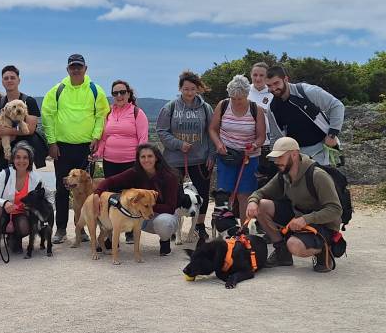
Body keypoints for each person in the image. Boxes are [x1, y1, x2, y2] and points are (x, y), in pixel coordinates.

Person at [245, 137, 343, 272]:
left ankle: (324, 250)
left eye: (280, 157)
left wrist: (306, 219)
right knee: (261, 205)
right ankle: (282, 252)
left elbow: (335, 210)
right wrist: (252, 202)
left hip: (323, 224)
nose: (276, 161)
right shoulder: (284, 174)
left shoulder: (318, 175)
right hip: (298, 217)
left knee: (294, 245)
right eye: (275, 158)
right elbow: (261, 193)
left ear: (295, 154)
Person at [41, 53, 109, 243]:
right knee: (61, 189)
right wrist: (52, 142)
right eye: (73, 67)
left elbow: (101, 115)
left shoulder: (96, 90)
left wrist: (96, 137)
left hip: (86, 148)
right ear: (68, 69)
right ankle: (61, 229)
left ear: (85, 69)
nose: (76, 69)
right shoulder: (57, 90)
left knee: (87, 192)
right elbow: (47, 116)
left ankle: (84, 229)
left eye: (79, 66)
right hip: (61, 147)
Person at [155, 70, 214, 244]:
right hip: (174, 160)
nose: (189, 92)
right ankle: (173, 227)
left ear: (197, 89)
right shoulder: (170, 107)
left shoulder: (206, 108)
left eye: (192, 89)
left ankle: (199, 227)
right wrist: (179, 144)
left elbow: (211, 132)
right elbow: (161, 131)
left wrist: (212, 154)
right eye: (186, 89)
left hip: (200, 159)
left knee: (201, 194)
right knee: (173, 195)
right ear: (180, 89)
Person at [92, 144, 180, 256]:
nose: (146, 160)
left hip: (163, 215)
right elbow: (109, 181)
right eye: (143, 157)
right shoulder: (134, 173)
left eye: (150, 156)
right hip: (140, 215)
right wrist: (96, 194)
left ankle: (165, 240)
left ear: (156, 158)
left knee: (164, 223)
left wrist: (145, 206)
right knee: (120, 212)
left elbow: (171, 208)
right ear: (138, 159)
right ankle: (112, 238)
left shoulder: (169, 177)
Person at [208, 75, 267, 214]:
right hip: (226, 155)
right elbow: (212, 128)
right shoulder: (223, 105)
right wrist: (218, 144)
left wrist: (254, 145)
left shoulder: (255, 109)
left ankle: (244, 232)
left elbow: (261, 137)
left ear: (247, 95)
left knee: (244, 195)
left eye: (239, 99)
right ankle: (223, 229)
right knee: (223, 195)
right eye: (233, 98)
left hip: (248, 158)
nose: (236, 102)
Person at [265, 65, 346, 165]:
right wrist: (274, 162)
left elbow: (336, 106)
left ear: (285, 79)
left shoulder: (306, 92)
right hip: (297, 155)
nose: (273, 88)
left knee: (322, 179)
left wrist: (332, 135)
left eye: (276, 83)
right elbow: (276, 137)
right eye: (269, 85)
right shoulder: (272, 109)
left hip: (322, 149)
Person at [0, 143, 43, 264]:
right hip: (2, 216)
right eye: (18, 157)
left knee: (25, 225)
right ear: (13, 159)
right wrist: (4, 203)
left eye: (25, 157)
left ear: (30, 160)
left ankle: (15, 238)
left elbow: (47, 199)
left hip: (21, 215)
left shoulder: (36, 179)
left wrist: (35, 209)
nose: (21, 161)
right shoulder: (4, 174)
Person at [95, 79, 149, 179]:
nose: (119, 95)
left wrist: (141, 160)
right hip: (109, 163)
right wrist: (98, 153)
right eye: (115, 93)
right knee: (112, 193)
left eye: (122, 92)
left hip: (131, 163)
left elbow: (143, 140)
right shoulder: (108, 113)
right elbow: (104, 138)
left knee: (130, 194)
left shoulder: (137, 113)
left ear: (128, 94)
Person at [248, 61, 276, 147]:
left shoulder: (274, 92)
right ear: (251, 75)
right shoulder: (244, 91)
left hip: (269, 142)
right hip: (246, 140)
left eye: (261, 75)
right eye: (255, 75)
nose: (258, 78)